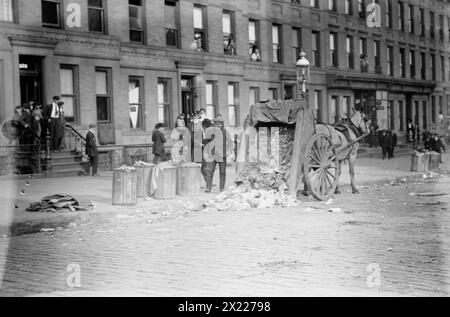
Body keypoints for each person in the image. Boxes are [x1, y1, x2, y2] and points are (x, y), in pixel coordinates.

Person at [203, 117, 234, 193]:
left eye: (219, 124)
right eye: (216, 124)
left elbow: (230, 142)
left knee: (222, 172)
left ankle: (222, 188)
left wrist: (229, 151)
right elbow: (206, 142)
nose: (218, 125)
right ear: (214, 124)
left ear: (222, 124)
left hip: (222, 155)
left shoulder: (225, 132)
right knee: (210, 171)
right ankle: (208, 187)